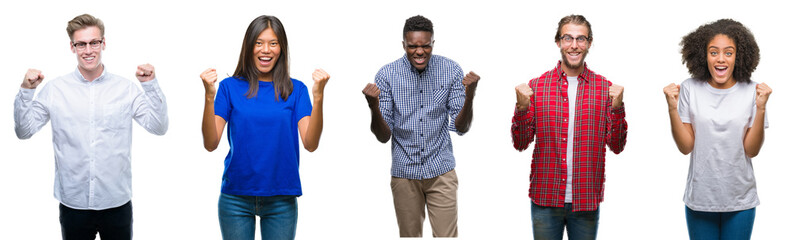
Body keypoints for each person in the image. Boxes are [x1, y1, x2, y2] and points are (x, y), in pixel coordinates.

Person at [13, 14, 168, 240]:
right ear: (72, 47)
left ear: (103, 43)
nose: (88, 50)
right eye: (81, 44)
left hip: (116, 202)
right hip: (73, 204)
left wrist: (150, 86)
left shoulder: (126, 89)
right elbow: (23, 131)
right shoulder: (55, 90)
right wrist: (26, 91)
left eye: (94, 42)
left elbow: (158, 126)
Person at [200, 15, 329, 240]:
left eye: (273, 43)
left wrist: (318, 98)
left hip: (281, 198)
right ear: (249, 47)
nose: (265, 50)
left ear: (282, 48)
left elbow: (310, 143)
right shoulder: (229, 88)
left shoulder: (296, 90)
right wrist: (209, 98)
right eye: (259, 43)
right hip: (235, 198)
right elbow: (211, 144)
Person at [361, 15, 479, 238]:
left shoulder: (451, 70)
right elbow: (383, 136)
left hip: (441, 171)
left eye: (425, 45)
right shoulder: (387, 75)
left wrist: (470, 97)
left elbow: (461, 127)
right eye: (413, 46)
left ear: (433, 43)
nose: (419, 51)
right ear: (403, 45)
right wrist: (373, 107)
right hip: (405, 173)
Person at [511, 14, 627, 240]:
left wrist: (618, 107)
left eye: (581, 39)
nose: (574, 45)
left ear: (589, 43)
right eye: (568, 38)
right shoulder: (537, 87)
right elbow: (521, 143)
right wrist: (522, 108)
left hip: (586, 200)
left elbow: (617, 145)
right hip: (545, 198)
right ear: (558, 42)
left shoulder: (605, 89)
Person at [662, 19, 770, 240]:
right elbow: (685, 147)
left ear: (738, 57)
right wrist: (672, 108)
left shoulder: (753, 91)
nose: (721, 59)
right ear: (704, 56)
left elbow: (751, 150)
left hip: (740, 200)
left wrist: (761, 108)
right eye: (714, 52)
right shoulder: (690, 88)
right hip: (700, 198)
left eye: (728, 53)